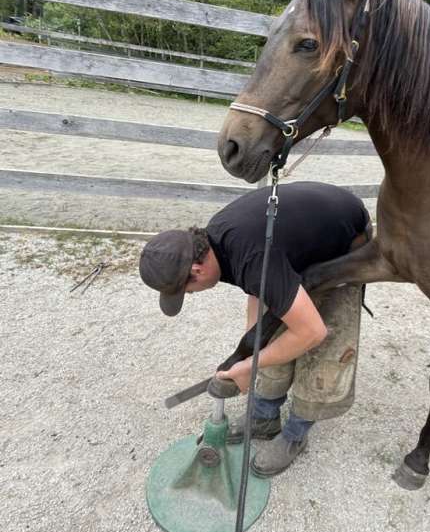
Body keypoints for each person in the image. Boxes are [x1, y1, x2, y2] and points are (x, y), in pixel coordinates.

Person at [139, 181, 371, 476]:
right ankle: (263, 418)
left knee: (320, 351)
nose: (191, 295)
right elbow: (257, 287)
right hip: (295, 248)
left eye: (187, 291)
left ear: (196, 271)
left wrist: (251, 365)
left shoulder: (249, 253)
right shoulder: (216, 243)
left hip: (346, 246)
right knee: (272, 335)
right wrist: (249, 348)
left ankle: (294, 435)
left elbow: (312, 331)